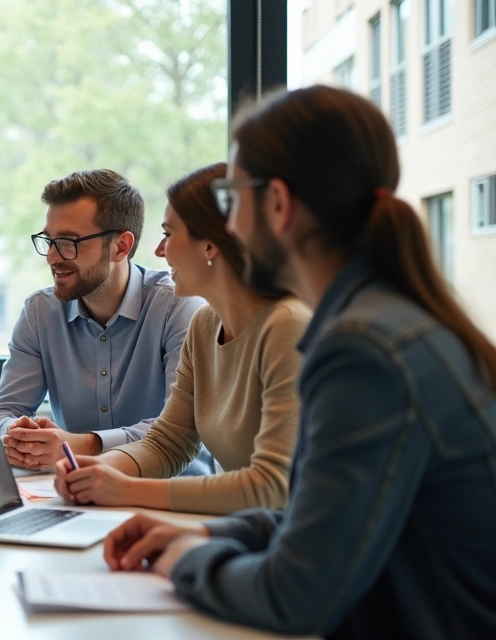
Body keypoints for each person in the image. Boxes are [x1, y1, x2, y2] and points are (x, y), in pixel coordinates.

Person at [100, 86, 496, 638]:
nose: (229, 226)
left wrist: (183, 560)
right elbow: (322, 516)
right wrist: (212, 535)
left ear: (279, 205)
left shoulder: (361, 348)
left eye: (232, 199)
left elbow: (294, 594)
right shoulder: (384, 321)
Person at [54, 163, 309, 515]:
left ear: (210, 245)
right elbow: (169, 442)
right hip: (251, 529)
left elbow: (270, 486)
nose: (160, 251)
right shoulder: (204, 324)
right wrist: (99, 469)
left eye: (169, 234)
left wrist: (126, 489)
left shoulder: (288, 326)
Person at [0, 169, 209, 474]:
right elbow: (5, 410)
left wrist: (83, 445)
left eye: (68, 242)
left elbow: (181, 428)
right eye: (49, 240)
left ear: (121, 247)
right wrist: (18, 435)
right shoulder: (39, 312)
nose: (52, 256)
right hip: (76, 489)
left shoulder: (179, 306)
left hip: (171, 489)